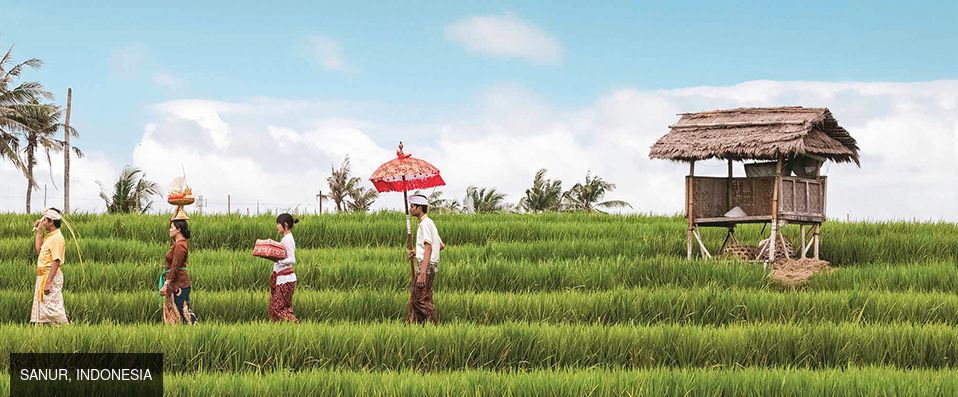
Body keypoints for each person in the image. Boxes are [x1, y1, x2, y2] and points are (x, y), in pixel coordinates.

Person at [406, 194, 444, 324]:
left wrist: (422, 272)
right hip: (428, 264)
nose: (410, 209)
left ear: (419, 208)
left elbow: (428, 247)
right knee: (422, 299)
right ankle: (420, 327)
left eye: (412, 206)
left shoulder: (424, 224)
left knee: (419, 300)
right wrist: (418, 254)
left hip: (425, 267)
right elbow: (440, 245)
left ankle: (433, 326)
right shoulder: (429, 223)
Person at [31, 208, 69, 325]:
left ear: (51, 222)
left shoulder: (57, 238)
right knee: (44, 309)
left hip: (49, 277)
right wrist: (39, 231)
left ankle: (64, 331)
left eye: (45, 221)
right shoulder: (51, 236)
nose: (43, 222)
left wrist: (48, 282)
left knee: (54, 309)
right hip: (44, 276)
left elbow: (56, 261)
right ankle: (47, 334)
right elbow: (39, 250)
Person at [159, 217, 197, 325]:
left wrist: (166, 284)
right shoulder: (179, 243)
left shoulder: (180, 246)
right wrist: (177, 210)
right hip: (175, 283)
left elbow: (175, 266)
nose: (169, 230)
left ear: (178, 230)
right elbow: (173, 222)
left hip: (179, 284)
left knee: (183, 314)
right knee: (174, 315)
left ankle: (195, 332)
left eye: (171, 228)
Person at [269, 213, 299, 322]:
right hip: (284, 279)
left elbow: (292, 259)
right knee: (281, 308)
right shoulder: (286, 238)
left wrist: (278, 261)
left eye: (278, 224)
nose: (277, 226)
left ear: (285, 224)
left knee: (277, 309)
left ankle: (295, 324)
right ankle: (285, 330)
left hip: (285, 280)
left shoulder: (287, 239)